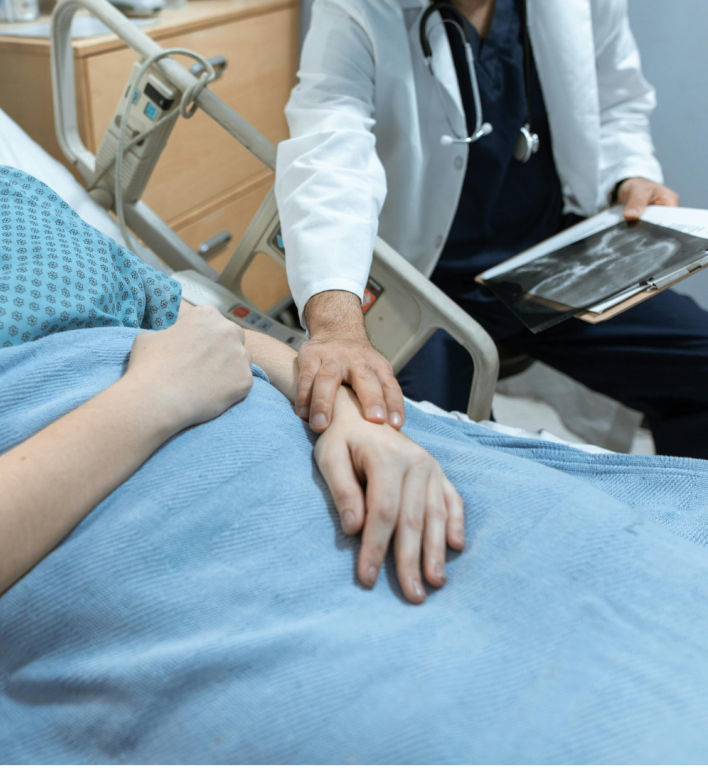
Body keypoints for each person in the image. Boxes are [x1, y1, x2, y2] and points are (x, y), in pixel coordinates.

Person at [0, 160, 464, 646]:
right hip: (131, 553)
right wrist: (152, 399)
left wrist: (342, 417)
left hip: (295, 444)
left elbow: (199, 326)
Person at [275, 0, 708, 459]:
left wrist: (630, 174)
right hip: (426, 283)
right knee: (431, 441)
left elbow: (618, 101)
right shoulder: (358, 8)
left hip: (551, 257)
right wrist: (336, 326)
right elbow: (328, 155)